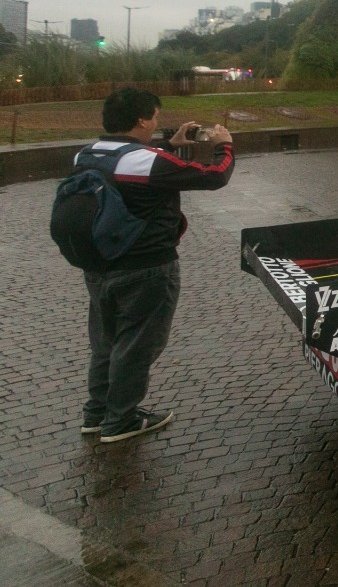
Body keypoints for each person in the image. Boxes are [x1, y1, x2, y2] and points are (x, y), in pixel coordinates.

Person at [77, 88, 235, 443]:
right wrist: (225, 144)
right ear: (141, 120)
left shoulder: (87, 155)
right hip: (147, 268)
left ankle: (96, 414)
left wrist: (169, 145)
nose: (156, 124)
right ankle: (121, 421)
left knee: (106, 343)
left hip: (99, 267)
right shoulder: (149, 161)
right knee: (137, 346)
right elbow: (214, 176)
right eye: (155, 118)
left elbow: (134, 168)